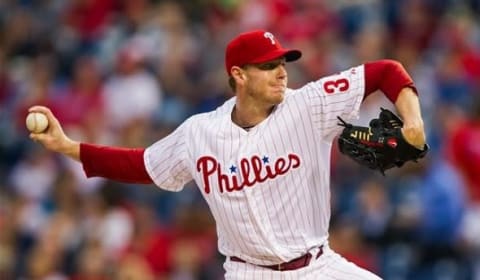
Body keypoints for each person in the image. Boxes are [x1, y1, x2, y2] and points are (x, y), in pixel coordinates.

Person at [29, 30, 426, 279]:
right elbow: (144, 165)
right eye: (268, 66)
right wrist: (68, 147)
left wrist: (413, 121)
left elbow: (386, 71)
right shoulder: (201, 133)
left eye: (283, 63)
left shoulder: (308, 105)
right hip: (247, 273)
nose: (282, 72)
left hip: (318, 267)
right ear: (239, 74)